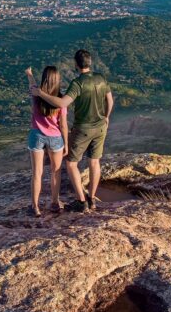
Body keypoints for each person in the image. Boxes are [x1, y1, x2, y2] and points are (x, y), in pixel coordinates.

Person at [31, 49, 113, 212]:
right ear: (90, 62)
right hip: (101, 127)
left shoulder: (77, 83)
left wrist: (40, 93)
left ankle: (81, 201)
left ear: (76, 64)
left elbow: (62, 104)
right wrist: (106, 116)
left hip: (83, 128)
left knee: (71, 163)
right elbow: (109, 99)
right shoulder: (101, 78)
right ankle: (92, 199)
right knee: (94, 162)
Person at [25, 65, 68, 217]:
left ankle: (35, 207)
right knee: (55, 172)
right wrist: (66, 144)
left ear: (44, 79)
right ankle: (55, 203)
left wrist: (29, 73)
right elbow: (63, 124)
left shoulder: (36, 94)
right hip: (55, 137)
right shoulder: (61, 100)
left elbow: (32, 84)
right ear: (57, 80)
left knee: (37, 173)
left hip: (36, 135)